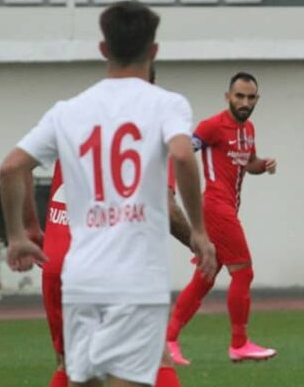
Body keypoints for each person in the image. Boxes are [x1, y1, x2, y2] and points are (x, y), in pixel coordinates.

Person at [0, 1, 216, 387]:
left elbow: (10, 168)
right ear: (153, 51)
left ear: (103, 49)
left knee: (79, 378)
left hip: (81, 279)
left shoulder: (68, 110)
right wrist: (198, 230)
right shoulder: (167, 103)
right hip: (136, 278)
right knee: (137, 374)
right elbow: (184, 155)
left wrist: (17, 234)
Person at [26, 67, 200, 387]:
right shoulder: (150, 128)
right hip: (112, 262)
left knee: (72, 366)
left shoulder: (76, 119)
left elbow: (13, 168)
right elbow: (167, 196)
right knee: (154, 358)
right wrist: (197, 239)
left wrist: (27, 229)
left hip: (61, 263)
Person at [166, 72, 278, 365]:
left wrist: (263, 165)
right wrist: (169, 186)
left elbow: (248, 163)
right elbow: (181, 153)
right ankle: (239, 343)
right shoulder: (212, 126)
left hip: (226, 207)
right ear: (227, 97)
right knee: (243, 272)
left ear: (257, 100)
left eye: (250, 97)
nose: (245, 102)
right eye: (239, 96)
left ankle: (168, 339)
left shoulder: (248, 129)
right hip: (216, 207)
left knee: (205, 277)